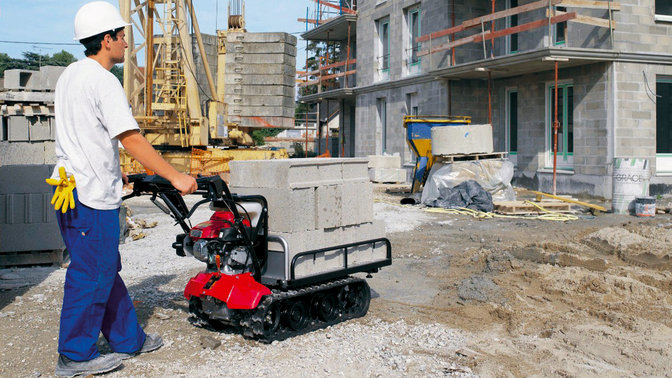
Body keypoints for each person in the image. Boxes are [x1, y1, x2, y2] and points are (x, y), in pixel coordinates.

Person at [51, 2, 197, 376]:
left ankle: (128, 339)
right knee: (91, 273)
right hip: (89, 196)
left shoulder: (70, 74)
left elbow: (85, 134)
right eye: (121, 37)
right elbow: (130, 138)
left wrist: (116, 174)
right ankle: (74, 356)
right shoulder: (103, 81)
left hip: (68, 187)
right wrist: (177, 177)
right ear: (106, 40)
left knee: (102, 267)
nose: (126, 44)